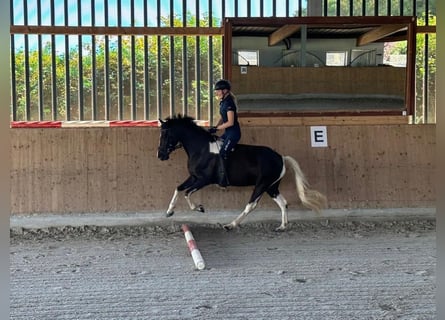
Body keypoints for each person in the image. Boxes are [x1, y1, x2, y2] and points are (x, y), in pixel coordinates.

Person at [209, 79, 241, 187]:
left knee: (222, 154)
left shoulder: (229, 103)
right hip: (228, 133)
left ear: (225, 91)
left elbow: (230, 122)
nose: (216, 92)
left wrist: (217, 129)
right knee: (214, 147)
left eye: (218, 90)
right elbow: (223, 118)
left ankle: (224, 178)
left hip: (233, 134)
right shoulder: (223, 102)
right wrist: (215, 126)